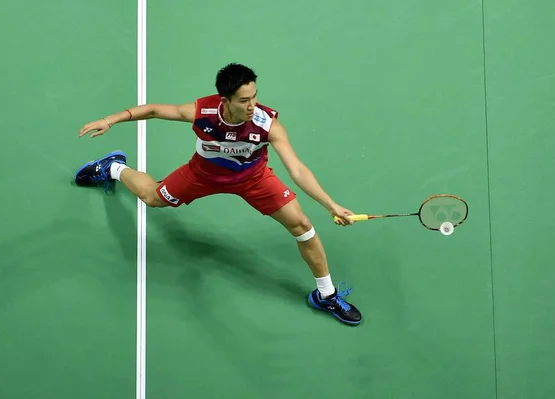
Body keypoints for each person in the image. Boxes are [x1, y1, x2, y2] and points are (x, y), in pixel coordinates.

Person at [74, 63, 362, 326]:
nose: (252, 106)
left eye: (254, 97)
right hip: (202, 175)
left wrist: (331, 205)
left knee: (302, 226)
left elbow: (297, 169)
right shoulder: (202, 113)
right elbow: (152, 110)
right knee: (152, 198)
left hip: (253, 179)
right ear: (225, 101)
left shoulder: (266, 125)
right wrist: (110, 120)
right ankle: (113, 168)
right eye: (244, 100)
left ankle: (326, 294)